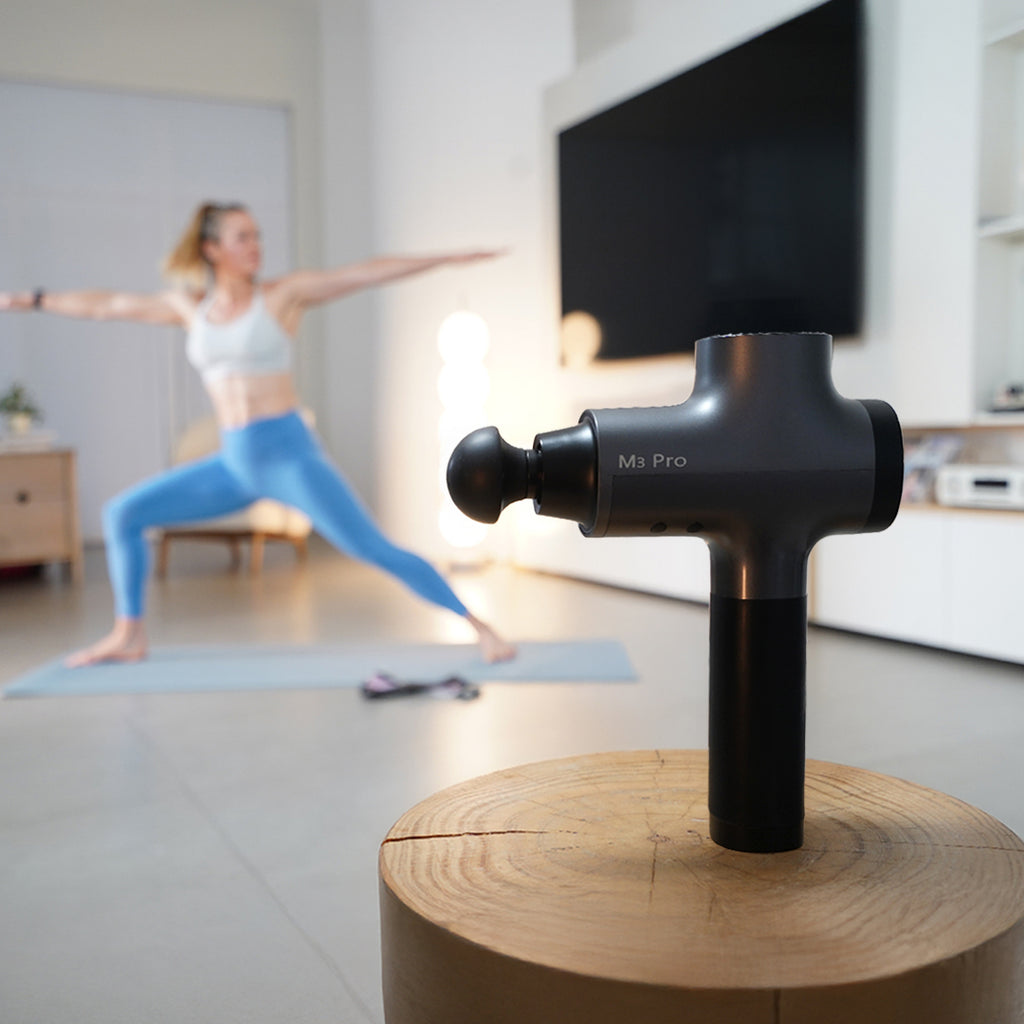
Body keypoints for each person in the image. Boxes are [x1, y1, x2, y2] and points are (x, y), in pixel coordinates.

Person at [0, 202, 515, 666]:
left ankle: (481, 628)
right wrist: (28, 298)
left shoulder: (281, 296)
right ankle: (129, 634)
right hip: (234, 462)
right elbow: (109, 305)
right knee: (122, 514)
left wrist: (447, 258)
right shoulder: (190, 308)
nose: (255, 246)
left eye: (257, 236)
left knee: (372, 549)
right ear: (212, 248)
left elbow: (362, 274)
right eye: (242, 237)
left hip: (289, 455)